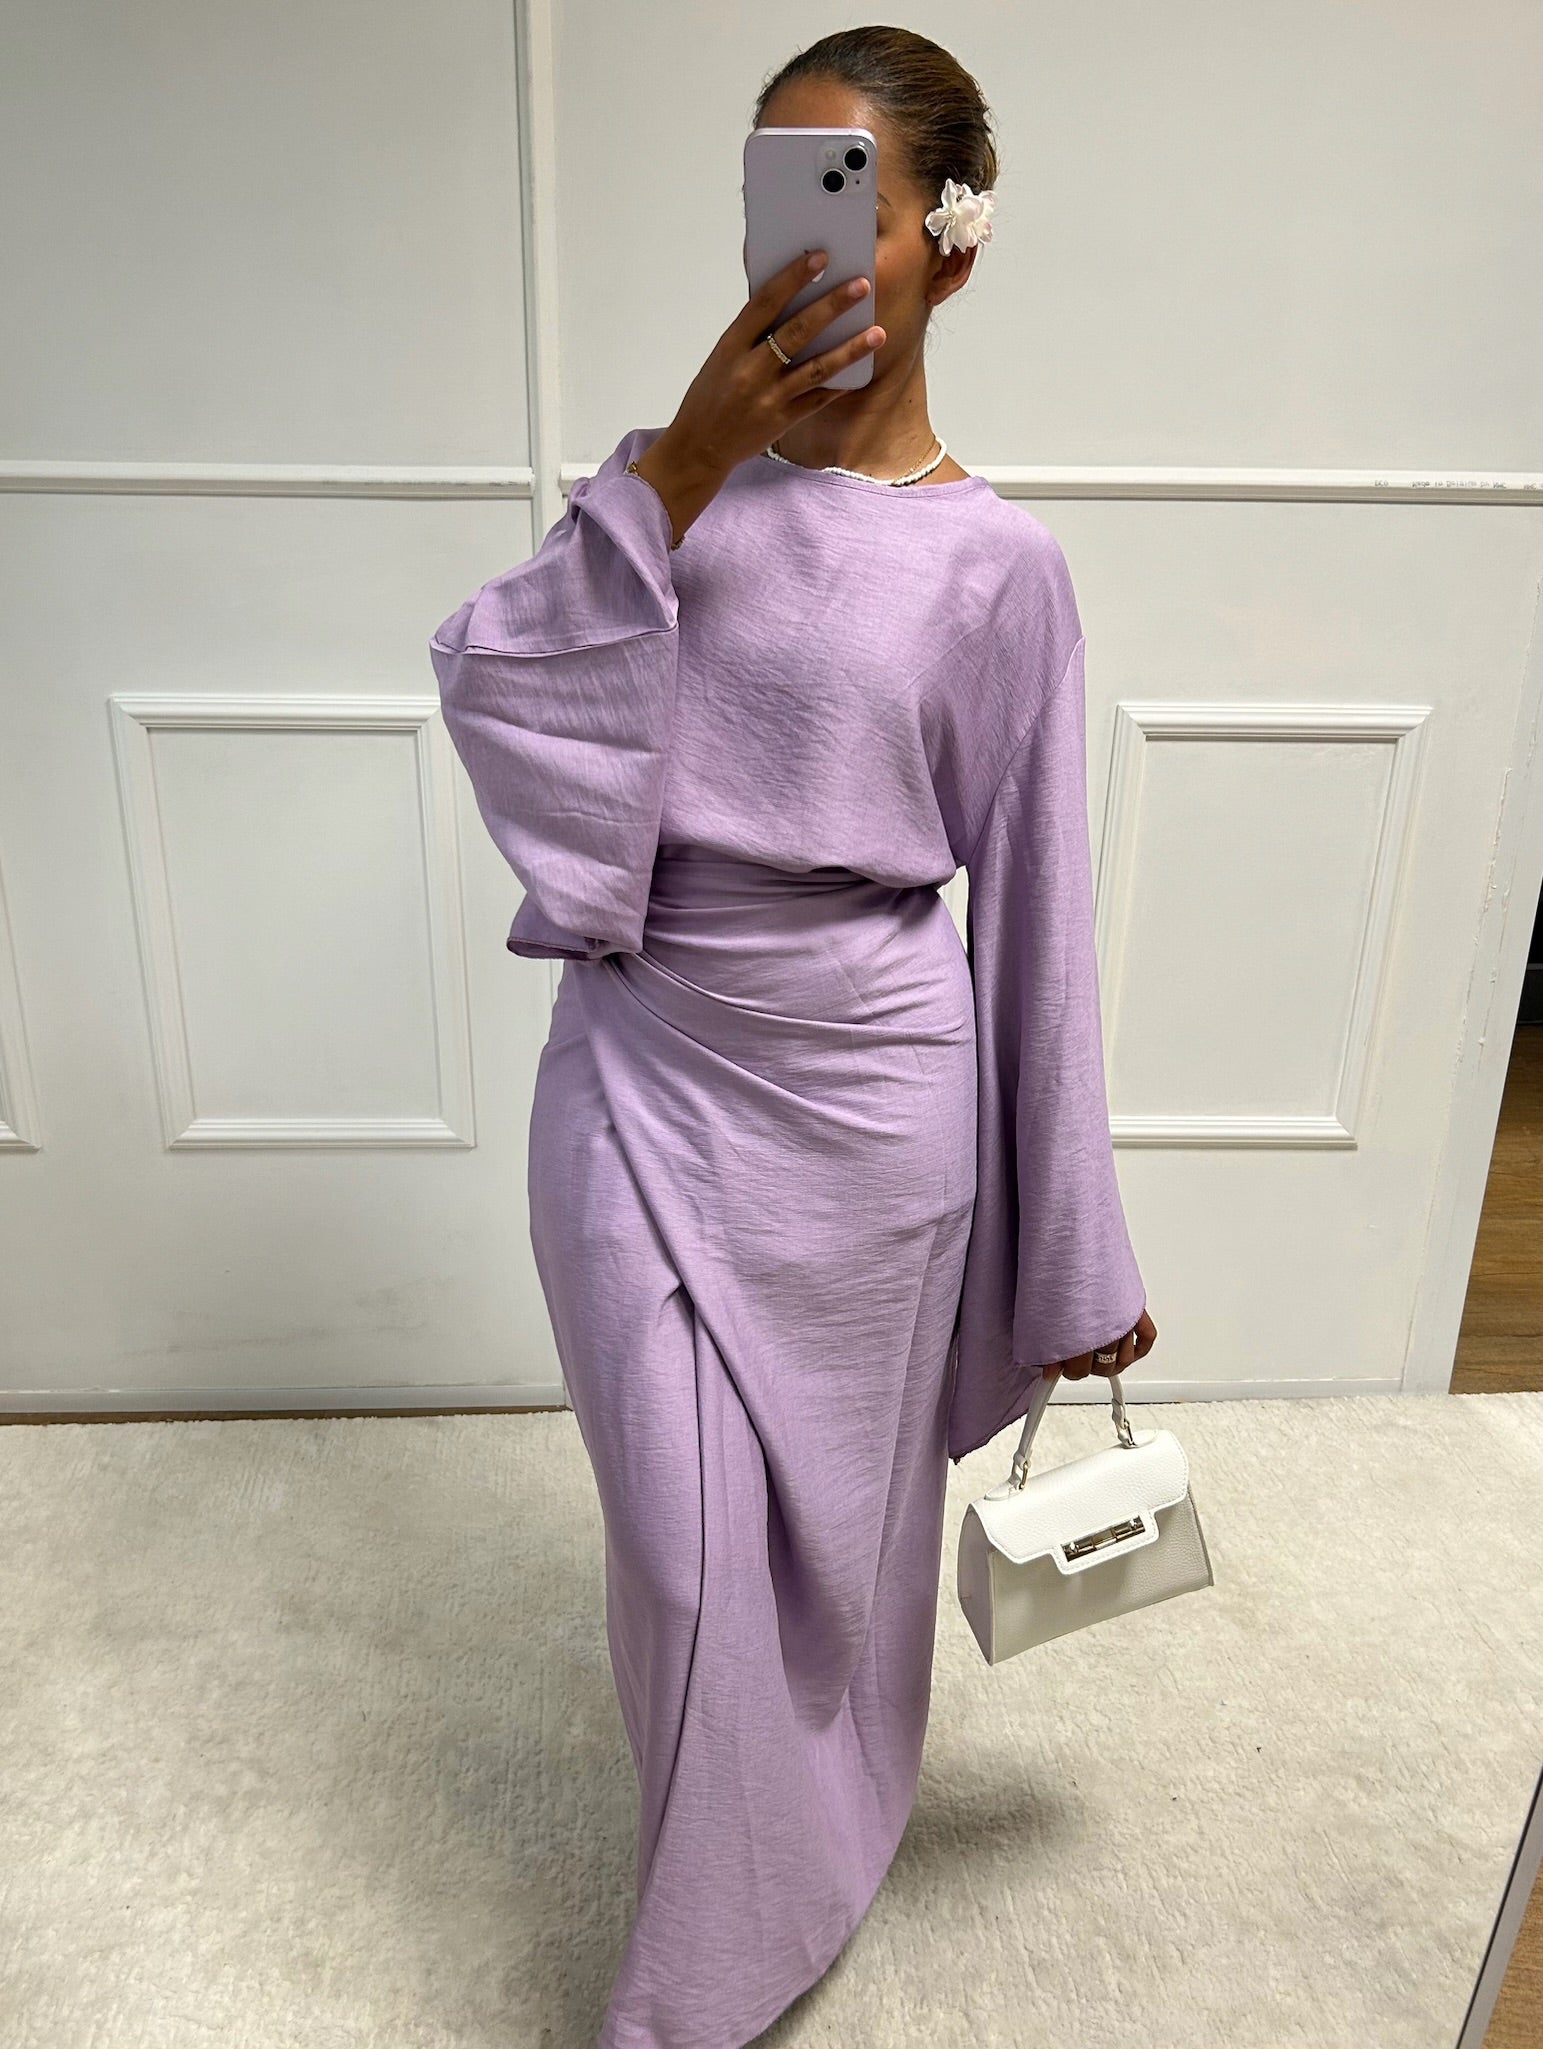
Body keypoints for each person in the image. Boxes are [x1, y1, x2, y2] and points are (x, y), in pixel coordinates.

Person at [430, 25, 1157, 2048]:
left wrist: (1077, 1248)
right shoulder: (659, 494)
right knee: (680, 1564)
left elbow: (1039, 913)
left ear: (951, 245)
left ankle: (797, 1853)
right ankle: (698, 1971)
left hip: (870, 1102)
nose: (804, 246)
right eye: (771, 193)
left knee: (841, 1555)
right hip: (638, 1059)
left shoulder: (1001, 566)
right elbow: (497, 694)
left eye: (851, 199)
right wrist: (672, 465)